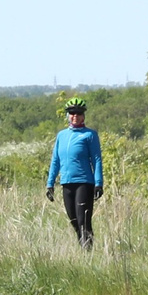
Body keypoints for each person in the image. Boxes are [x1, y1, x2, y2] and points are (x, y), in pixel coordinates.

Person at [45, 97, 103, 248]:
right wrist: (50, 183)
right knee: (74, 221)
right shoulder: (61, 135)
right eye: (72, 113)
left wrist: (98, 183)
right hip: (67, 183)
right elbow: (55, 160)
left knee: (83, 220)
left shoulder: (89, 135)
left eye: (78, 113)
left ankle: (87, 253)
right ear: (68, 115)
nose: (75, 116)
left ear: (83, 115)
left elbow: (96, 160)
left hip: (84, 183)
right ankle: (84, 249)